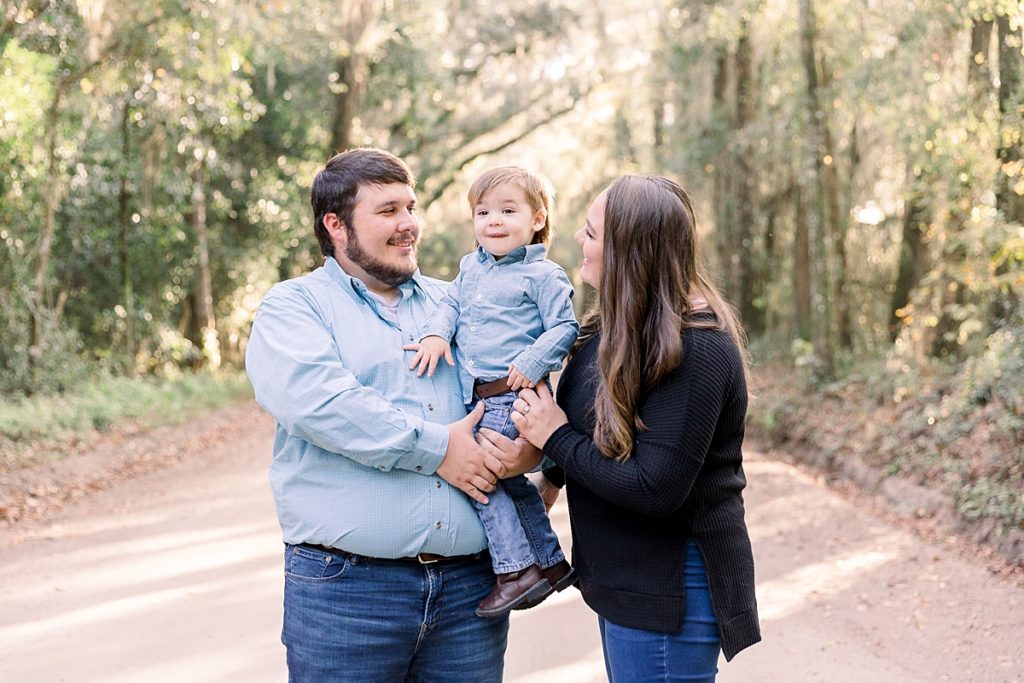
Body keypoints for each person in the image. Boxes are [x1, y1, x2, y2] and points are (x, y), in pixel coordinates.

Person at [245, 148, 531, 682]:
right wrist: (440, 448)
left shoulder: (461, 302)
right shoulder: (294, 307)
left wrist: (532, 453)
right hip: (347, 594)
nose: (408, 226)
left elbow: (516, 386)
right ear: (335, 225)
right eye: (388, 211)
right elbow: (324, 404)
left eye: (411, 207)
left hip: (471, 594)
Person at [489, 175, 762, 681]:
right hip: (625, 583)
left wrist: (555, 438)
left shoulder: (698, 349)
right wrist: (549, 479)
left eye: (591, 233)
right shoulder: (612, 327)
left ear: (627, 252)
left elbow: (655, 487)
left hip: (667, 591)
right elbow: (585, 423)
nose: (577, 239)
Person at [408, 166, 579, 617]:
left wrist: (533, 360)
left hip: (513, 393)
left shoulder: (544, 275)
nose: (493, 221)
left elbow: (565, 327)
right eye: (483, 212)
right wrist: (436, 335)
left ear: (537, 218)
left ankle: (514, 571)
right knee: (511, 480)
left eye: (507, 210)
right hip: (479, 394)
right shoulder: (470, 268)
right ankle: (550, 562)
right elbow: (449, 305)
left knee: (480, 479)